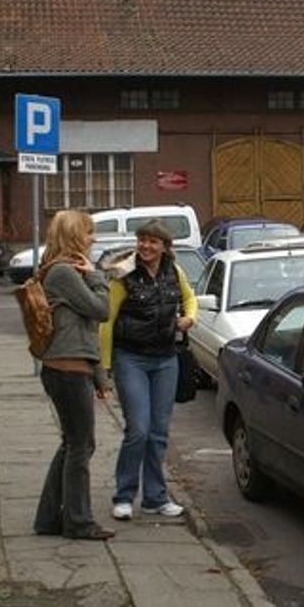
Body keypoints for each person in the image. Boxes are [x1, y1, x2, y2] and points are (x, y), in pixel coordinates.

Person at [100, 219, 196, 522]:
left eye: (153, 241)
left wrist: (189, 318)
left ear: (165, 247)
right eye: (142, 239)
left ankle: (155, 498)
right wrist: (103, 368)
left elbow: (190, 297)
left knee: (158, 433)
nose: (145, 246)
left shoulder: (174, 271)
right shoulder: (123, 276)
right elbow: (107, 321)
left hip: (166, 359)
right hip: (131, 359)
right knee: (138, 430)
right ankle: (124, 495)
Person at [33, 209, 115, 541]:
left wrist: (98, 377)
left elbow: (85, 330)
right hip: (66, 370)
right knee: (81, 445)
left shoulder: (66, 271)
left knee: (72, 444)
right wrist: (97, 277)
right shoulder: (65, 273)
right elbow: (101, 311)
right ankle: (78, 522)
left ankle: (49, 519)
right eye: (89, 231)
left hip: (70, 367)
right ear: (75, 236)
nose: (94, 238)